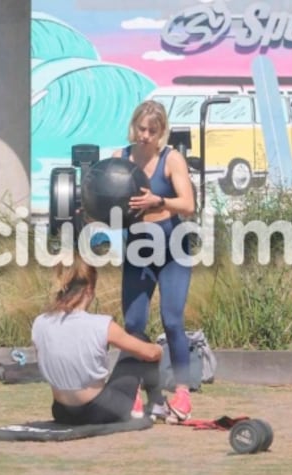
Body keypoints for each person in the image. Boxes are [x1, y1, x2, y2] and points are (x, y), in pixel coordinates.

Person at [113, 99, 196, 422]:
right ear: (133, 126)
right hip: (138, 250)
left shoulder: (171, 159)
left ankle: (183, 393)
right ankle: (140, 392)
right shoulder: (119, 159)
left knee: (172, 321)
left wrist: (158, 200)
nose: (144, 135)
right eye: (140, 128)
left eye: (152, 130)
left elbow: (188, 204)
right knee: (133, 325)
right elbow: (105, 198)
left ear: (162, 132)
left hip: (173, 250)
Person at [32, 256, 163, 425]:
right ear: (88, 290)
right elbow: (150, 353)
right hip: (101, 411)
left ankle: (155, 404)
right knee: (140, 338)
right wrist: (160, 350)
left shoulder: (40, 322)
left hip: (61, 412)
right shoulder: (102, 324)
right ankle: (157, 403)